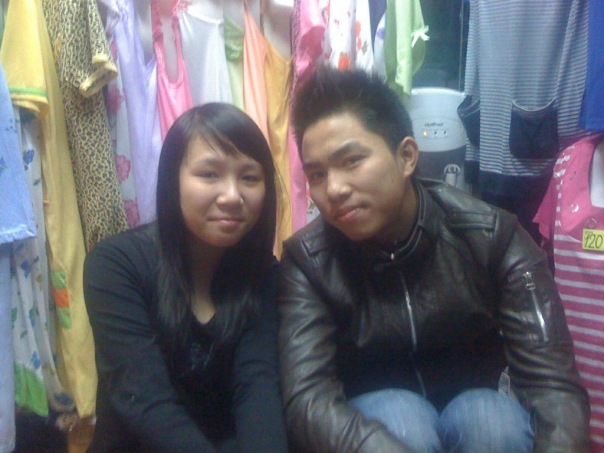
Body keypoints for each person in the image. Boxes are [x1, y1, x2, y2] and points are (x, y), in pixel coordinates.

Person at [277, 68, 590, 453]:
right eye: (317, 174)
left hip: (479, 417)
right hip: (373, 425)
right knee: (401, 419)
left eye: (352, 160)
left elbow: (553, 385)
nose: (334, 188)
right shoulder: (308, 261)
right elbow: (307, 397)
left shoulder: (491, 236)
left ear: (406, 156)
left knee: (488, 421)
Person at [84, 103, 288, 452]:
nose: (232, 196)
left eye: (250, 178)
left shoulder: (265, 274)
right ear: (172, 180)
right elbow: (145, 401)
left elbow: (257, 386)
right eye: (209, 174)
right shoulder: (116, 264)